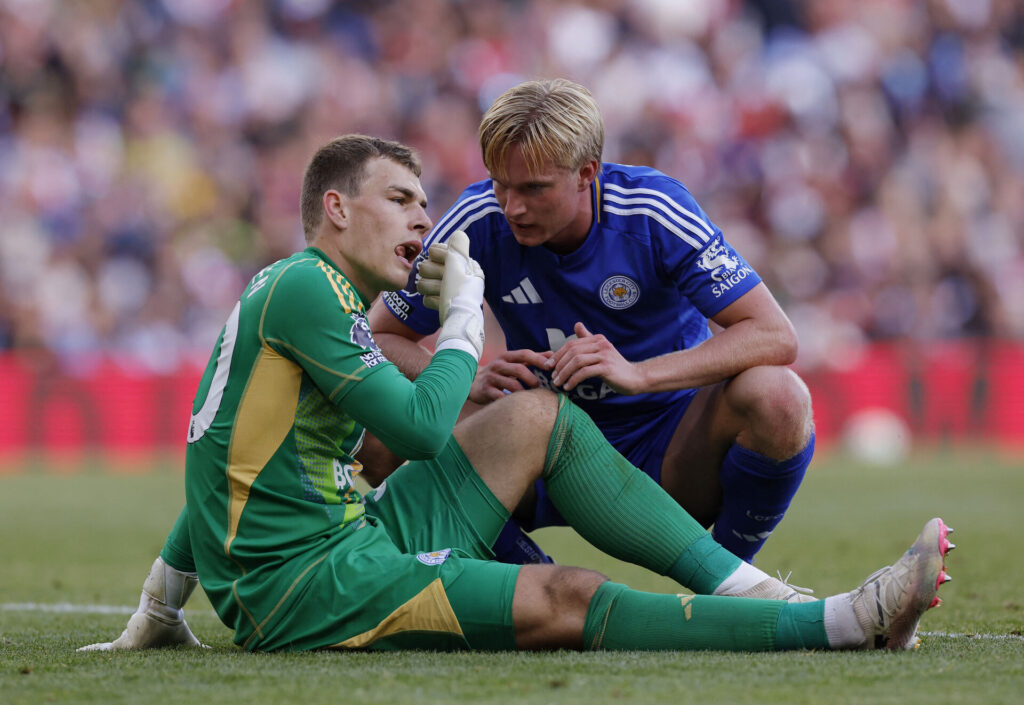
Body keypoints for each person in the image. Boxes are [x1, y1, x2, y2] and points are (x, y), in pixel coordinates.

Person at [79, 134, 952, 655]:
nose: (424, 221)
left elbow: (215, 455)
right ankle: (837, 624)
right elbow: (421, 432)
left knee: (542, 414)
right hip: (310, 587)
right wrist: (463, 318)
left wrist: (160, 607)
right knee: (567, 598)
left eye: (426, 203)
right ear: (337, 208)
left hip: (349, 535)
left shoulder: (304, 288)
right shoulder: (311, 291)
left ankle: (749, 588)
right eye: (401, 201)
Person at [369, 79, 815, 564]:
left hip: (665, 447)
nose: (512, 206)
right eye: (501, 183)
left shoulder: (652, 211)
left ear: (587, 173)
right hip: (532, 445)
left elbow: (773, 334)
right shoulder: (475, 222)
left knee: (779, 397)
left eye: (534, 188)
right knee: (376, 422)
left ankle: (733, 584)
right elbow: (380, 335)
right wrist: (466, 379)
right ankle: (535, 582)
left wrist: (640, 374)